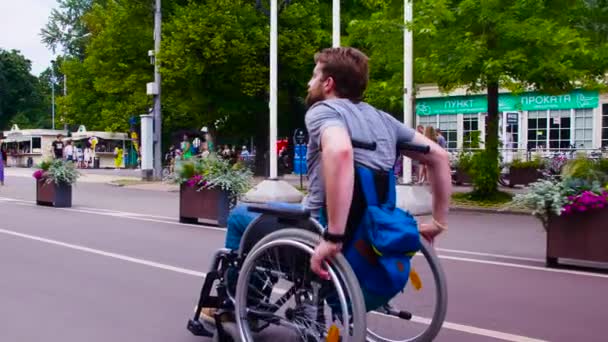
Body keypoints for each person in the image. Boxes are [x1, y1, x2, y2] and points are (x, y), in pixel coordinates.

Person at [200, 47, 451, 319]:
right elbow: (438, 156)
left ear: (328, 83)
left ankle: (243, 303)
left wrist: (333, 237)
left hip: (318, 231)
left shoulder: (323, 111)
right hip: (370, 233)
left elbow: (340, 151)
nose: (309, 83)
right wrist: (437, 223)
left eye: (313, 76)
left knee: (240, 216)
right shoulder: (383, 120)